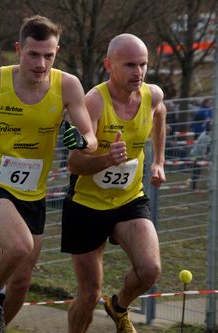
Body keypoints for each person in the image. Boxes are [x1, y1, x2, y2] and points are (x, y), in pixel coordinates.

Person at [0, 15, 97, 333]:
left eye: (49, 55)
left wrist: (83, 141)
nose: (41, 64)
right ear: (18, 50)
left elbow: (90, 135)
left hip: (34, 192)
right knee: (19, 246)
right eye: (33, 54)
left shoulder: (67, 85)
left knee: (23, 281)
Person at [61, 33, 166, 333]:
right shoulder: (93, 102)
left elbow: (160, 115)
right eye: (130, 65)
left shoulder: (151, 95)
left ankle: (118, 306)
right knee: (89, 294)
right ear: (109, 65)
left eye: (143, 64)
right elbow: (74, 163)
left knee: (150, 270)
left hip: (129, 200)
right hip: (87, 205)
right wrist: (107, 159)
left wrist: (158, 160)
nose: (139, 72)